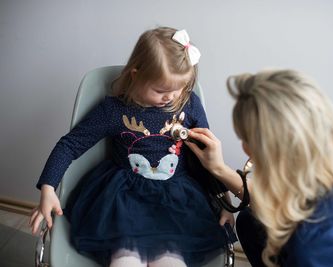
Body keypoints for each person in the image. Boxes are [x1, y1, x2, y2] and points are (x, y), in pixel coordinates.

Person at [29, 26, 234, 267]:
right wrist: (48, 187)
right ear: (136, 75)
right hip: (123, 200)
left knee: (172, 263)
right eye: (161, 90)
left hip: (176, 203)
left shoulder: (189, 104)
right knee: (125, 261)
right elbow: (70, 145)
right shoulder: (114, 110)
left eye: (180, 89)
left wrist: (224, 201)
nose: (171, 97)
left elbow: (207, 157)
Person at [186, 69, 333, 267]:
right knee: (250, 222)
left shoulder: (313, 249)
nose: (243, 147)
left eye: (244, 139)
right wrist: (220, 169)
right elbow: (281, 201)